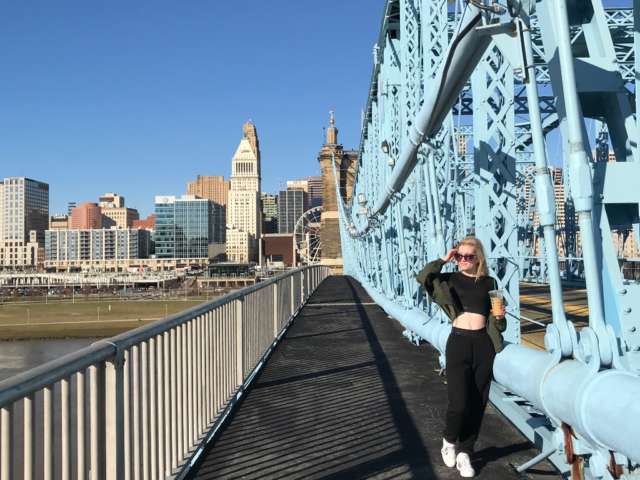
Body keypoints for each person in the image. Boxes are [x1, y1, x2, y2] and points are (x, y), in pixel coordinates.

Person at [415, 236, 506, 478]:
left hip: (483, 345)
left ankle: (465, 453)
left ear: (478, 258)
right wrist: (444, 259)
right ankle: (448, 441)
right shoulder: (450, 279)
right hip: (458, 342)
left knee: (478, 402)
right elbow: (423, 277)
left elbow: (500, 322)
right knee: (459, 404)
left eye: (468, 256)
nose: (463, 260)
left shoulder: (490, 282)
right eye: (460, 256)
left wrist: (500, 317)